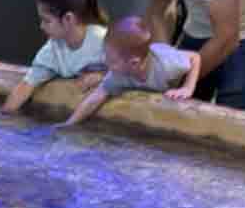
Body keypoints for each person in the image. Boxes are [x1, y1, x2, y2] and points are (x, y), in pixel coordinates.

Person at [61, 16, 201, 127]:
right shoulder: (118, 73)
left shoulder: (167, 65)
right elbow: (95, 98)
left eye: (112, 60)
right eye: (106, 56)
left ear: (133, 63)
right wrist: (69, 124)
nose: (106, 62)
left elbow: (195, 57)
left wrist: (187, 88)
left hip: (164, 54)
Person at [0, 0, 108, 118]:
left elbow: (134, 70)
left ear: (68, 19)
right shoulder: (53, 48)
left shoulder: (102, 41)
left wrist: (102, 77)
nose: (41, 26)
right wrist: (3, 116)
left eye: (46, 20)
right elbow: (26, 86)